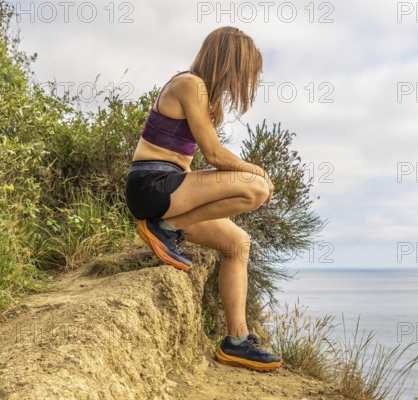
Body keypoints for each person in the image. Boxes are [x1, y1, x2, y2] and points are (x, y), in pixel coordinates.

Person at [124, 26, 282, 372]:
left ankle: (236, 342)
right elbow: (213, 154)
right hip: (152, 184)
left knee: (238, 243)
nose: (241, 80)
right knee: (253, 188)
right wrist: (257, 172)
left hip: (169, 190)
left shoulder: (204, 97)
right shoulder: (189, 83)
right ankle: (166, 227)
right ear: (227, 61)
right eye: (242, 70)